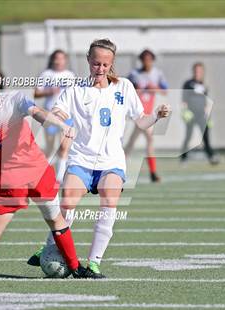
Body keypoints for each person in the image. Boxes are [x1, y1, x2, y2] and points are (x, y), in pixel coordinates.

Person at [0, 58, 98, 283]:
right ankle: (77, 267)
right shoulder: (13, 98)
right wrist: (62, 126)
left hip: (5, 178)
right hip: (35, 170)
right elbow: (39, 113)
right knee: (57, 221)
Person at [27, 39, 171, 278]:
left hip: (111, 162)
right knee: (67, 201)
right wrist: (59, 121)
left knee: (109, 200)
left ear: (112, 63)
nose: (100, 69)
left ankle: (94, 263)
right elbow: (59, 111)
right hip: (81, 159)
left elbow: (141, 120)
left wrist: (156, 116)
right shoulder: (75, 90)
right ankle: (51, 244)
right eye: (96, 63)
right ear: (88, 60)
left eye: (105, 64)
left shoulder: (124, 87)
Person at [124, 49, 168, 182]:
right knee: (148, 140)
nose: (147, 62)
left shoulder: (157, 74)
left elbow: (165, 90)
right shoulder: (134, 74)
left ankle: (120, 167)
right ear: (141, 60)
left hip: (148, 113)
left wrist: (154, 87)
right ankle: (153, 173)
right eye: (144, 59)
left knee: (133, 143)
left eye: (149, 60)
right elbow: (124, 90)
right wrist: (138, 90)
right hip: (138, 113)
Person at [34, 50, 75, 182]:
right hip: (50, 114)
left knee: (64, 146)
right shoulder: (47, 74)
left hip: (66, 115)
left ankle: (60, 179)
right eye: (56, 58)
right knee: (51, 148)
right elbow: (36, 93)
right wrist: (48, 91)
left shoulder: (70, 75)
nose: (59, 61)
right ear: (52, 60)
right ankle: (41, 173)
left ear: (65, 60)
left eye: (62, 58)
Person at [180, 62, 219, 165]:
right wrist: (185, 111)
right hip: (191, 114)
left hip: (202, 115)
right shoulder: (188, 83)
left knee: (206, 136)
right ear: (193, 71)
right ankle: (183, 157)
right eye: (196, 70)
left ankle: (211, 157)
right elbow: (184, 99)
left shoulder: (204, 85)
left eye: (200, 71)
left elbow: (206, 100)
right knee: (188, 136)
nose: (198, 73)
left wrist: (208, 115)